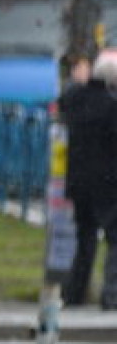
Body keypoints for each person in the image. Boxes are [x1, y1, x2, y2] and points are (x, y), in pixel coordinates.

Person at [58, 54, 117, 309]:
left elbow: (63, 100)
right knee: (115, 239)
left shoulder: (75, 100)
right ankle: (111, 294)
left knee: (85, 238)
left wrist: (77, 80)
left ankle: (74, 293)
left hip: (79, 182)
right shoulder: (112, 106)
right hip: (108, 183)